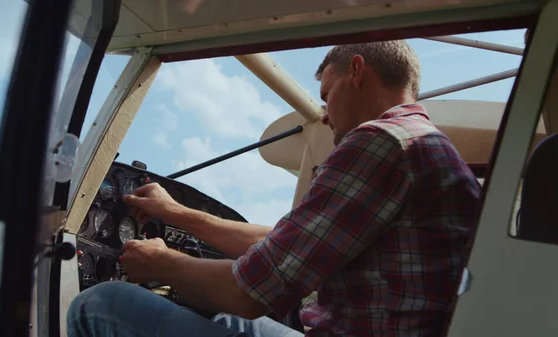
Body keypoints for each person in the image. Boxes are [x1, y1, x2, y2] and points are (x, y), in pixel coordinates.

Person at [67, 40, 481, 337]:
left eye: (326, 95)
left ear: (356, 71)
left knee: (100, 305)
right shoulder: (423, 143)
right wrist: (176, 214)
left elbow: (249, 293)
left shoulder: (380, 141)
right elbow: (285, 243)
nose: (323, 116)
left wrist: (162, 262)